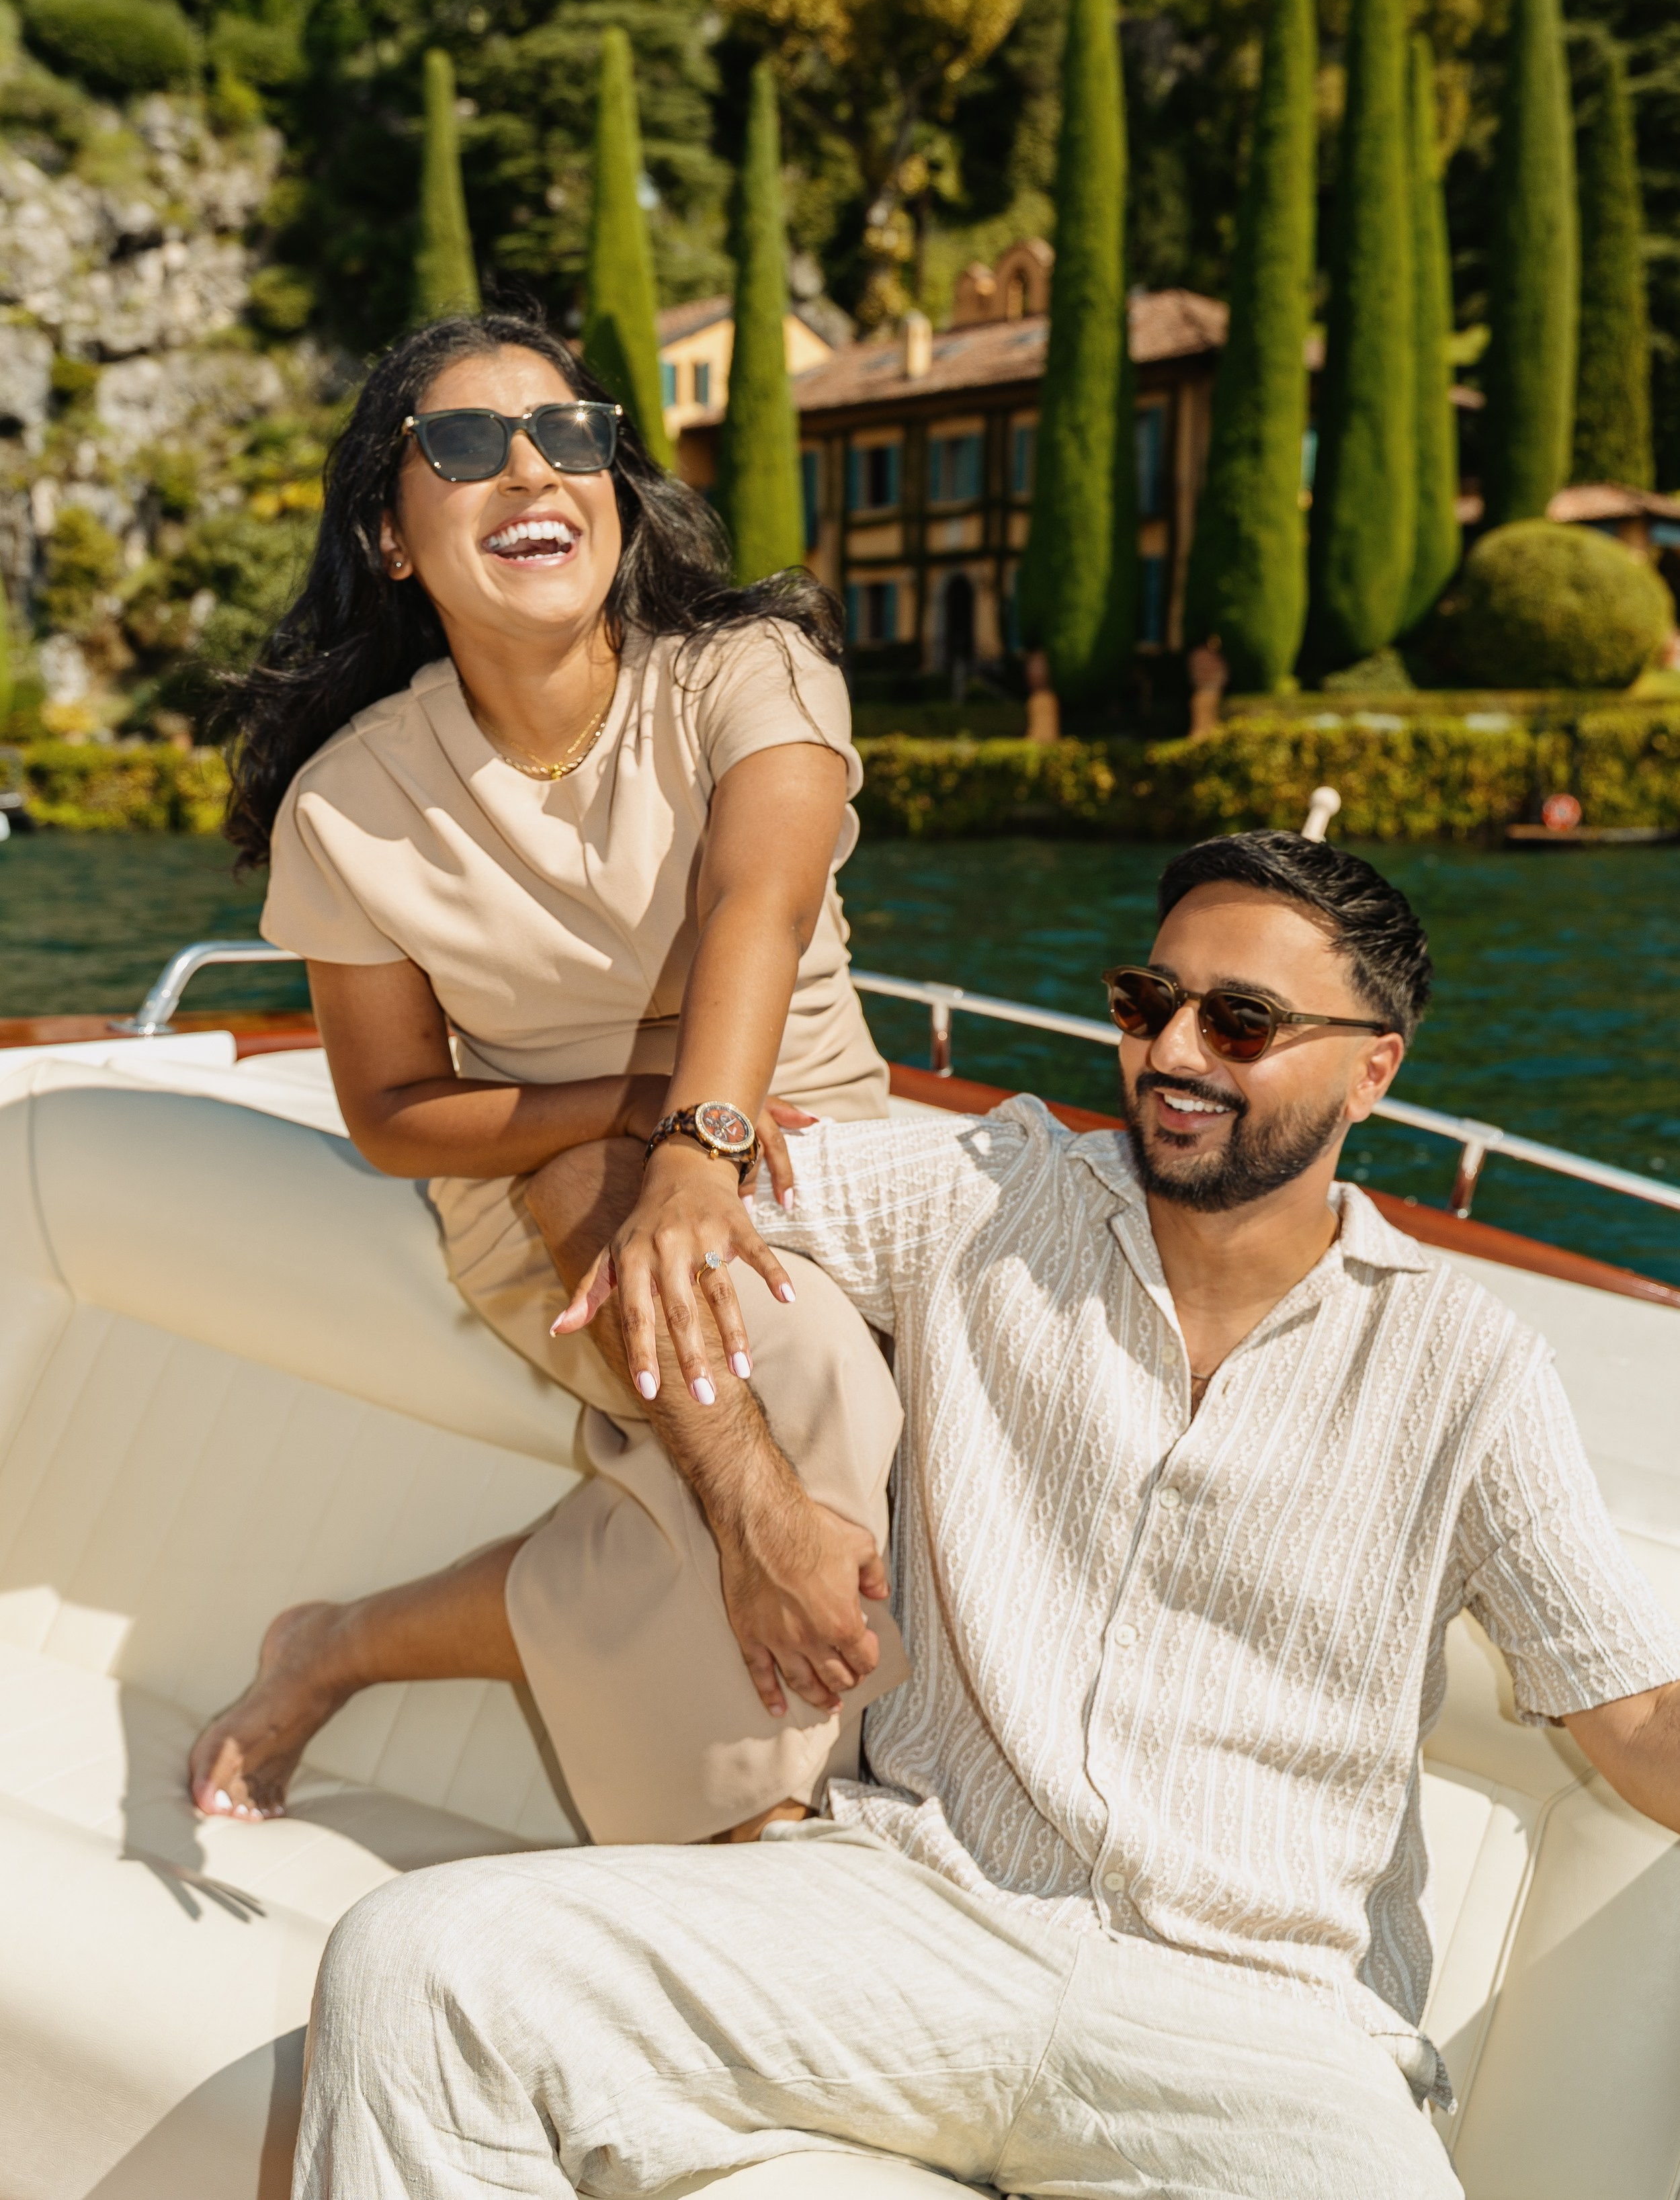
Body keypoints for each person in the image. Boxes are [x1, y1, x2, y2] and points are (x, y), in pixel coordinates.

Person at [294, 832, 1680, 2200]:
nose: (1174, 1053)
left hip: (1256, 2027)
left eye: (1240, 1021)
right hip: (906, 1917)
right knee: (418, 1969)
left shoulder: (1466, 1370)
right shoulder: (990, 1198)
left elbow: (1637, 1733)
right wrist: (752, 1503)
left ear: (1374, 1066)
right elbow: (591, 1189)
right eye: (1149, 1004)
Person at [188, 310, 908, 1849]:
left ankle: (338, 1647)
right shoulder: (351, 802)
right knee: (811, 1373)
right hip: (548, 1184)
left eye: (569, 432)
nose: (531, 466)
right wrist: (634, 1125)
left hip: (814, 1151)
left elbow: (756, 911)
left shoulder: (748, 672)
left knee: (916, 1412)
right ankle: (740, 1850)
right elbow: (393, 1117)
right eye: (462, 443)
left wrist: (700, 1149)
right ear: (391, 534)